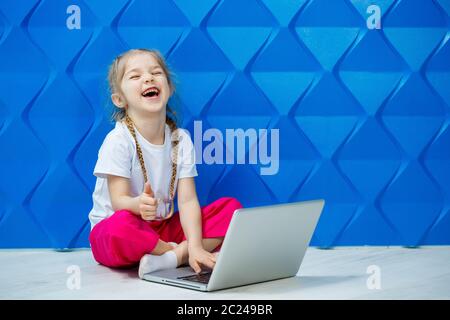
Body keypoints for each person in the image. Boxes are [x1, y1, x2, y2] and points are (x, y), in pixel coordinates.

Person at [87, 48, 242, 278]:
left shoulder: (181, 139)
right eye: (135, 76)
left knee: (231, 210)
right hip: (119, 229)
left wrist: (197, 245)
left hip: (161, 227)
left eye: (156, 72)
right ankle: (173, 253)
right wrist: (137, 205)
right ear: (119, 99)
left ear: (169, 89)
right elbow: (118, 202)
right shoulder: (118, 140)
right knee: (120, 226)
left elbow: (188, 201)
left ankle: (175, 257)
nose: (148, 78)